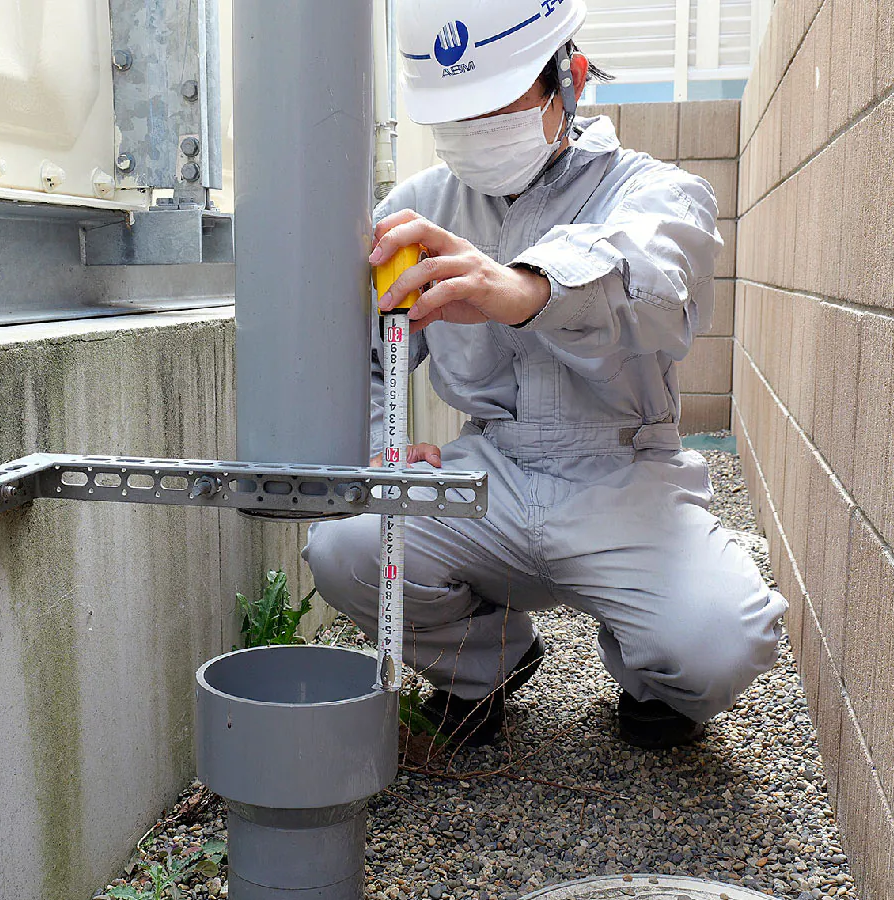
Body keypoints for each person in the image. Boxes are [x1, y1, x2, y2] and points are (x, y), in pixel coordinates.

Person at [303, 0, 787, 750]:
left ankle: (651, 672)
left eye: (498, 106)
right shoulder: (417, 210)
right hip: (489, 474)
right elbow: (362, 355)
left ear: (573, 79)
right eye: (458, 117)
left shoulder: (655, 191)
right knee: (345, 548)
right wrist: (379, 445)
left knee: (723, 642)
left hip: (621, 475)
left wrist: (525, 290)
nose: (476, 131)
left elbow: (657, 281)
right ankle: (482, 665)